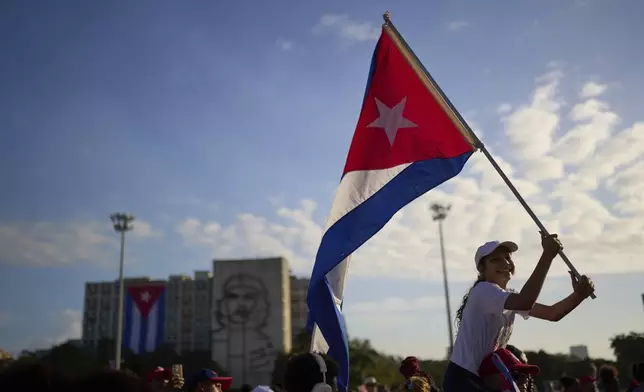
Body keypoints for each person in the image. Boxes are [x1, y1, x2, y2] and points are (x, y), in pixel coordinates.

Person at [443, 234, 596, 391]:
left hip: (479, 379)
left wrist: (579, 295)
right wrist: (547, 255)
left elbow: (552, 314)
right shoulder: (483, 290)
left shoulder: (507, 296)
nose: (505, 263)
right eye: (495, 259)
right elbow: (526, 301)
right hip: (463, 379)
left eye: (507, 258)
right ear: (482, 269)